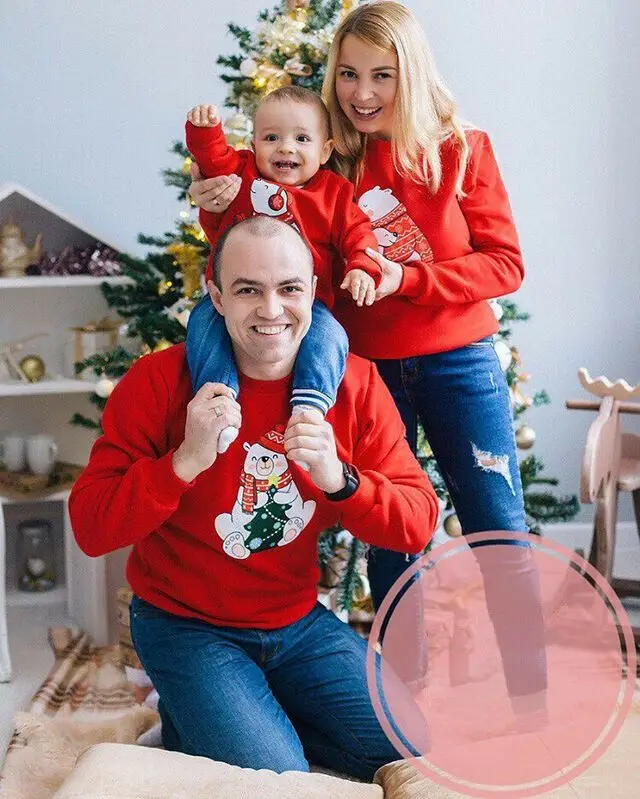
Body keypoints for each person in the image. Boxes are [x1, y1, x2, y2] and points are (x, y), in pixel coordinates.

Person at [189, 1, 547, 717]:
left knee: (496, 521)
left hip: (460, 362)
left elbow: (505, 265)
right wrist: (212, 193)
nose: (361, 93)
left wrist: (406, 279)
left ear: (411, 73)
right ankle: (406, 707)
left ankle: (532, 699)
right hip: (371, 369)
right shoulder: (325, 153)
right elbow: (257, 227)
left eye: (382, 75)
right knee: (390, 536)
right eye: (348, 74)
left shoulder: (462, 149)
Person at [69, 216, 437, 778]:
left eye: (289, 288)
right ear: (216, 297)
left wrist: (342, 480)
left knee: (412, 745)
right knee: (276, 779)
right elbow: (91, 528)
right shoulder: (158, 381)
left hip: (296, 621)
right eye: (247, 290)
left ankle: (233, 715)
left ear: (312, 292)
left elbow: (417, 522)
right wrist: (183, 462)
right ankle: (202, 716)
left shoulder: (355, 384)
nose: (271, 310)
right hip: (185, 624)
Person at [185, 86, 382, 458]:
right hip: (232, 296)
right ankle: (218, 404)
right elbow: (213, 161)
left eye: (302, 139)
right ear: (253, 144)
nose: (286, 148)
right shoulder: (243, 172)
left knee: (330, 336)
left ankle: (310, 406)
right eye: (271, 138)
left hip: (304, 303)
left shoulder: (333, 194)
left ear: (325, 151)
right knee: (203, 326)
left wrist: (362, 268)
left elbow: (359, 234)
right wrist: (204, 131)